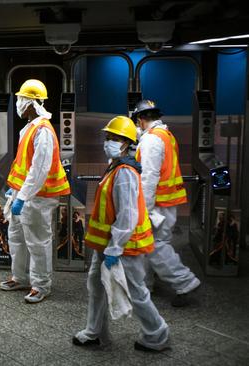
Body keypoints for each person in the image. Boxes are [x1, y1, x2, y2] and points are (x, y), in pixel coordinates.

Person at [73, 115, 169, 352]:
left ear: (126, 143)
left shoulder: (125, 172)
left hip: (124, 246)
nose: (109, 142)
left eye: (114, 138)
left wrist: (115, 248)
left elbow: (127, 215)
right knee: (96, 285)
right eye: (108, 137)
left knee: (136, 291)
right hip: (106, 245)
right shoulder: (115, 166)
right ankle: (95, 332)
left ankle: (157, 335)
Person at [0, 79, 71, 303]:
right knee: (17, 237)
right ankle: (20, 277)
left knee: (38, 242)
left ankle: (41, 285)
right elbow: (24, 164)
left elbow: (39, 170)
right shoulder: (28, 129)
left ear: (31, 103)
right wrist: (14, 191)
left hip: (39, 197)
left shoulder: (44, 131)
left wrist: (23, 196)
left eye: (21, 99)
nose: (18, 103)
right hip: (23, 194)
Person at [132, 100, 200, 307]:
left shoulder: (152, 140)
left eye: (138, 121)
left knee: (154, 245)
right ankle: (146, 283)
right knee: (151, 243)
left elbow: (149, 176)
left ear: (142, 120)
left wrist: (143, 206)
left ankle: (184, 281)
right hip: (167, 200)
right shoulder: (165, 135)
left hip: (158, 202)